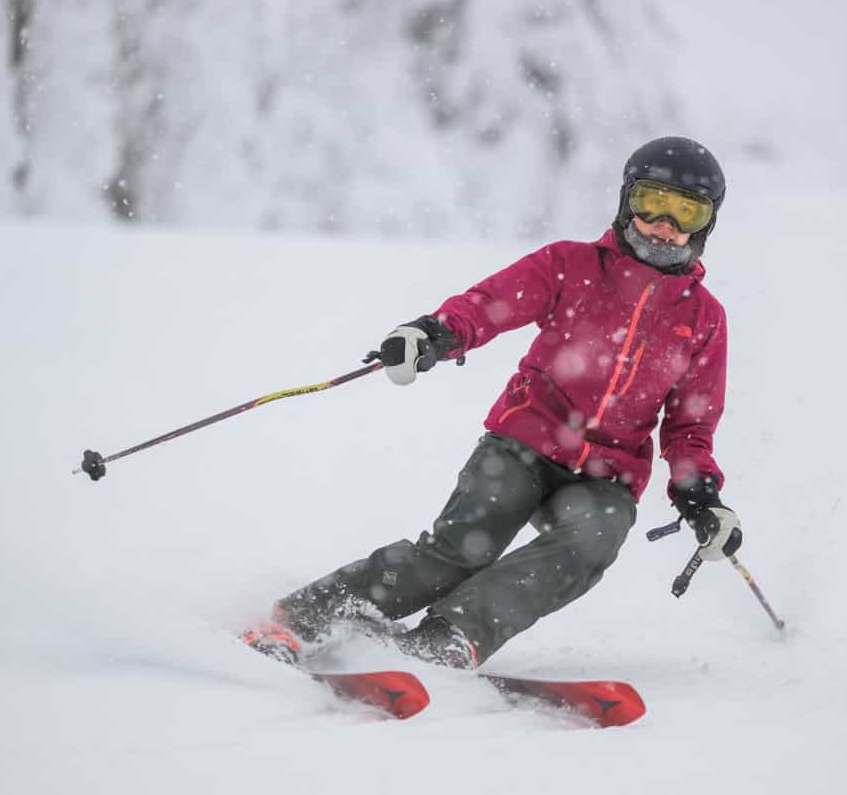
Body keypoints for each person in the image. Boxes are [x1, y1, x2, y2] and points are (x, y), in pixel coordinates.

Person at [242, 136, 743, 669]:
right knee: (456, 555)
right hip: (523, 445)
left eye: (685, 210)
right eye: (651, 203)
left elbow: (691, 425)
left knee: (589, 543)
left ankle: (448, 638)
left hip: (606, 476)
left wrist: (700, 495)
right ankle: (302, 616)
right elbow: (488, 305)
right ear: (626, 202)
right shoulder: (570, 265)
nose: (664, 224)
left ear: (705, 223)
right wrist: (433, 334)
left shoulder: (704, 318)